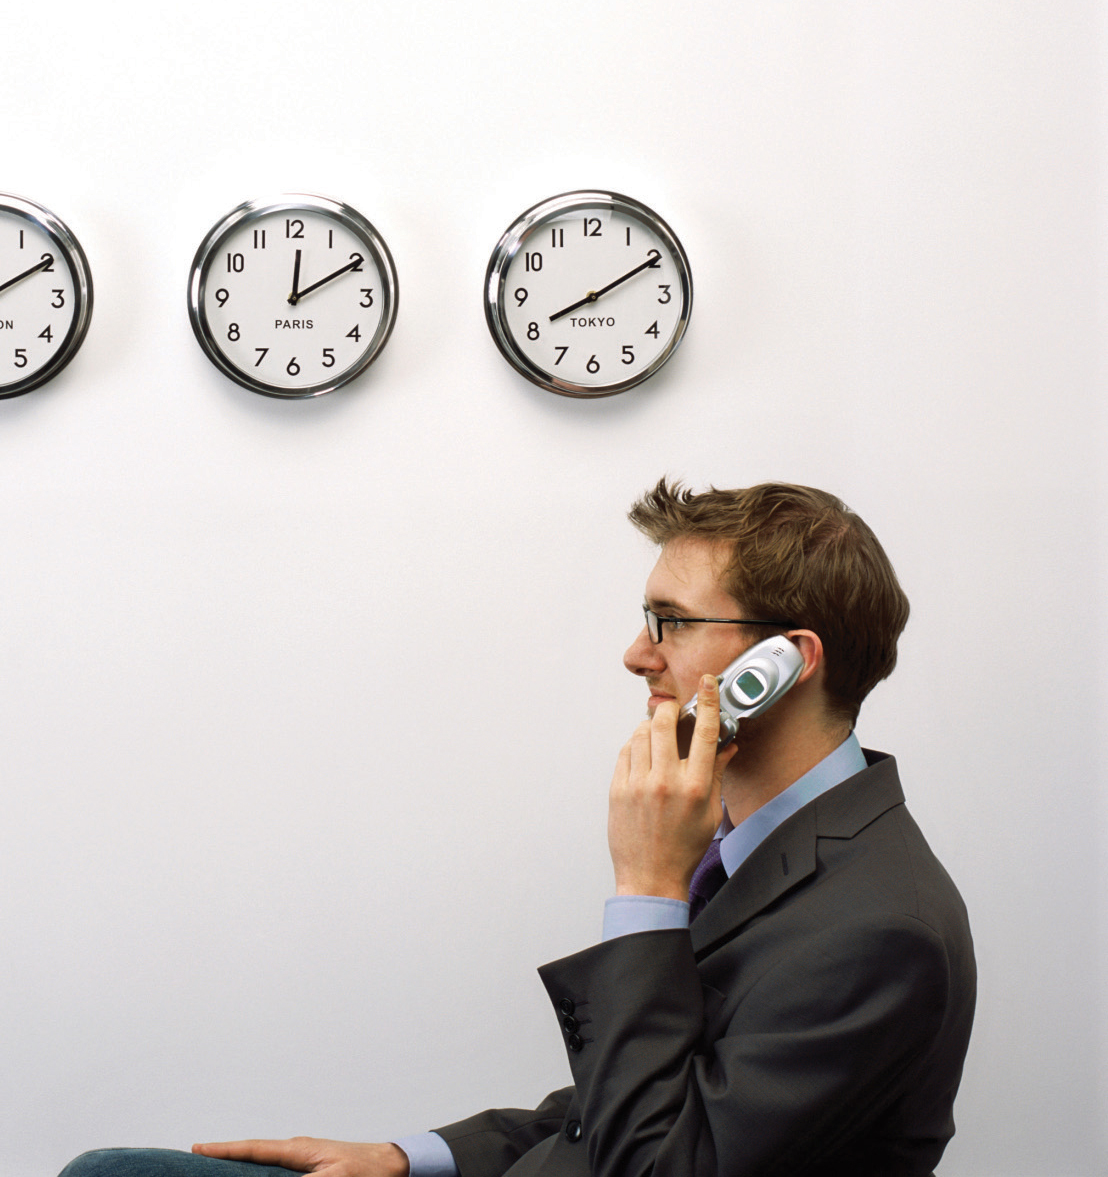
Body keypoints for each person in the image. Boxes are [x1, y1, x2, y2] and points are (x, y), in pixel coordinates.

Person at [60, 480, 976, 1177]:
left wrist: (649, 889)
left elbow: (655, 1162)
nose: (635, 653)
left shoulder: (878, 927)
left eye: (671, 621)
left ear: (787, 661)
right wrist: (411, 1156)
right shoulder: (767, 847)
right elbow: (629, 1092)